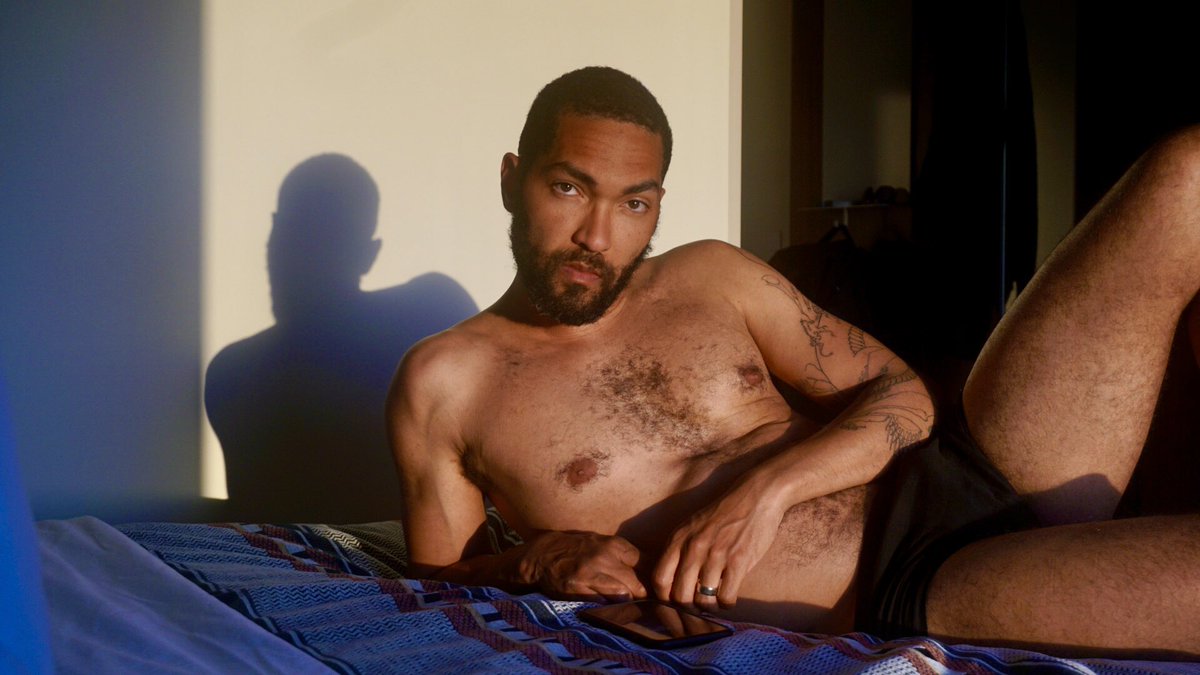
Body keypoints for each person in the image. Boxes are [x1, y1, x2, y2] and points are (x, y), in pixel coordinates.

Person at [389, 66, 1200, 658]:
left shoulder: (712, 275)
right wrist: (539, 556)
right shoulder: (444, 383)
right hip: (917, 584)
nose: (598, 237)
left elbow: (904, 394)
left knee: (1186, 173)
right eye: (569, 188)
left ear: (658, 206)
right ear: (513, 180)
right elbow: (434, 583)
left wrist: (765, 493)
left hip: (967, 461)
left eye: (634, 202)